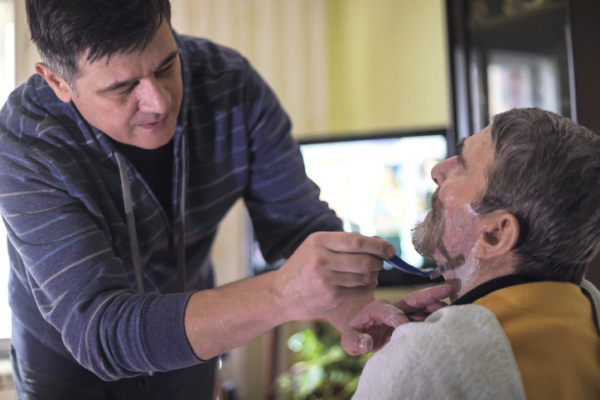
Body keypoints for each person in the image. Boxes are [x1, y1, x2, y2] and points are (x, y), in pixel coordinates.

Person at [0, 1, 453, 398]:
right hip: (69, 366)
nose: (158, 102)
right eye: (122, 88)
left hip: (191, 348)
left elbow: (296, 226)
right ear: (57, 82)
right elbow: (102, 332)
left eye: (165, 66)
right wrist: (281, 294)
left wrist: (354, 306)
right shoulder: (23, 144)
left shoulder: (231, 85)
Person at [353, 107, 600, 400]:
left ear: (494, 235)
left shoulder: (428, 363)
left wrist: (400, 367)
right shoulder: (587, 318)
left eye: (463, 166)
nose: (436, 171)